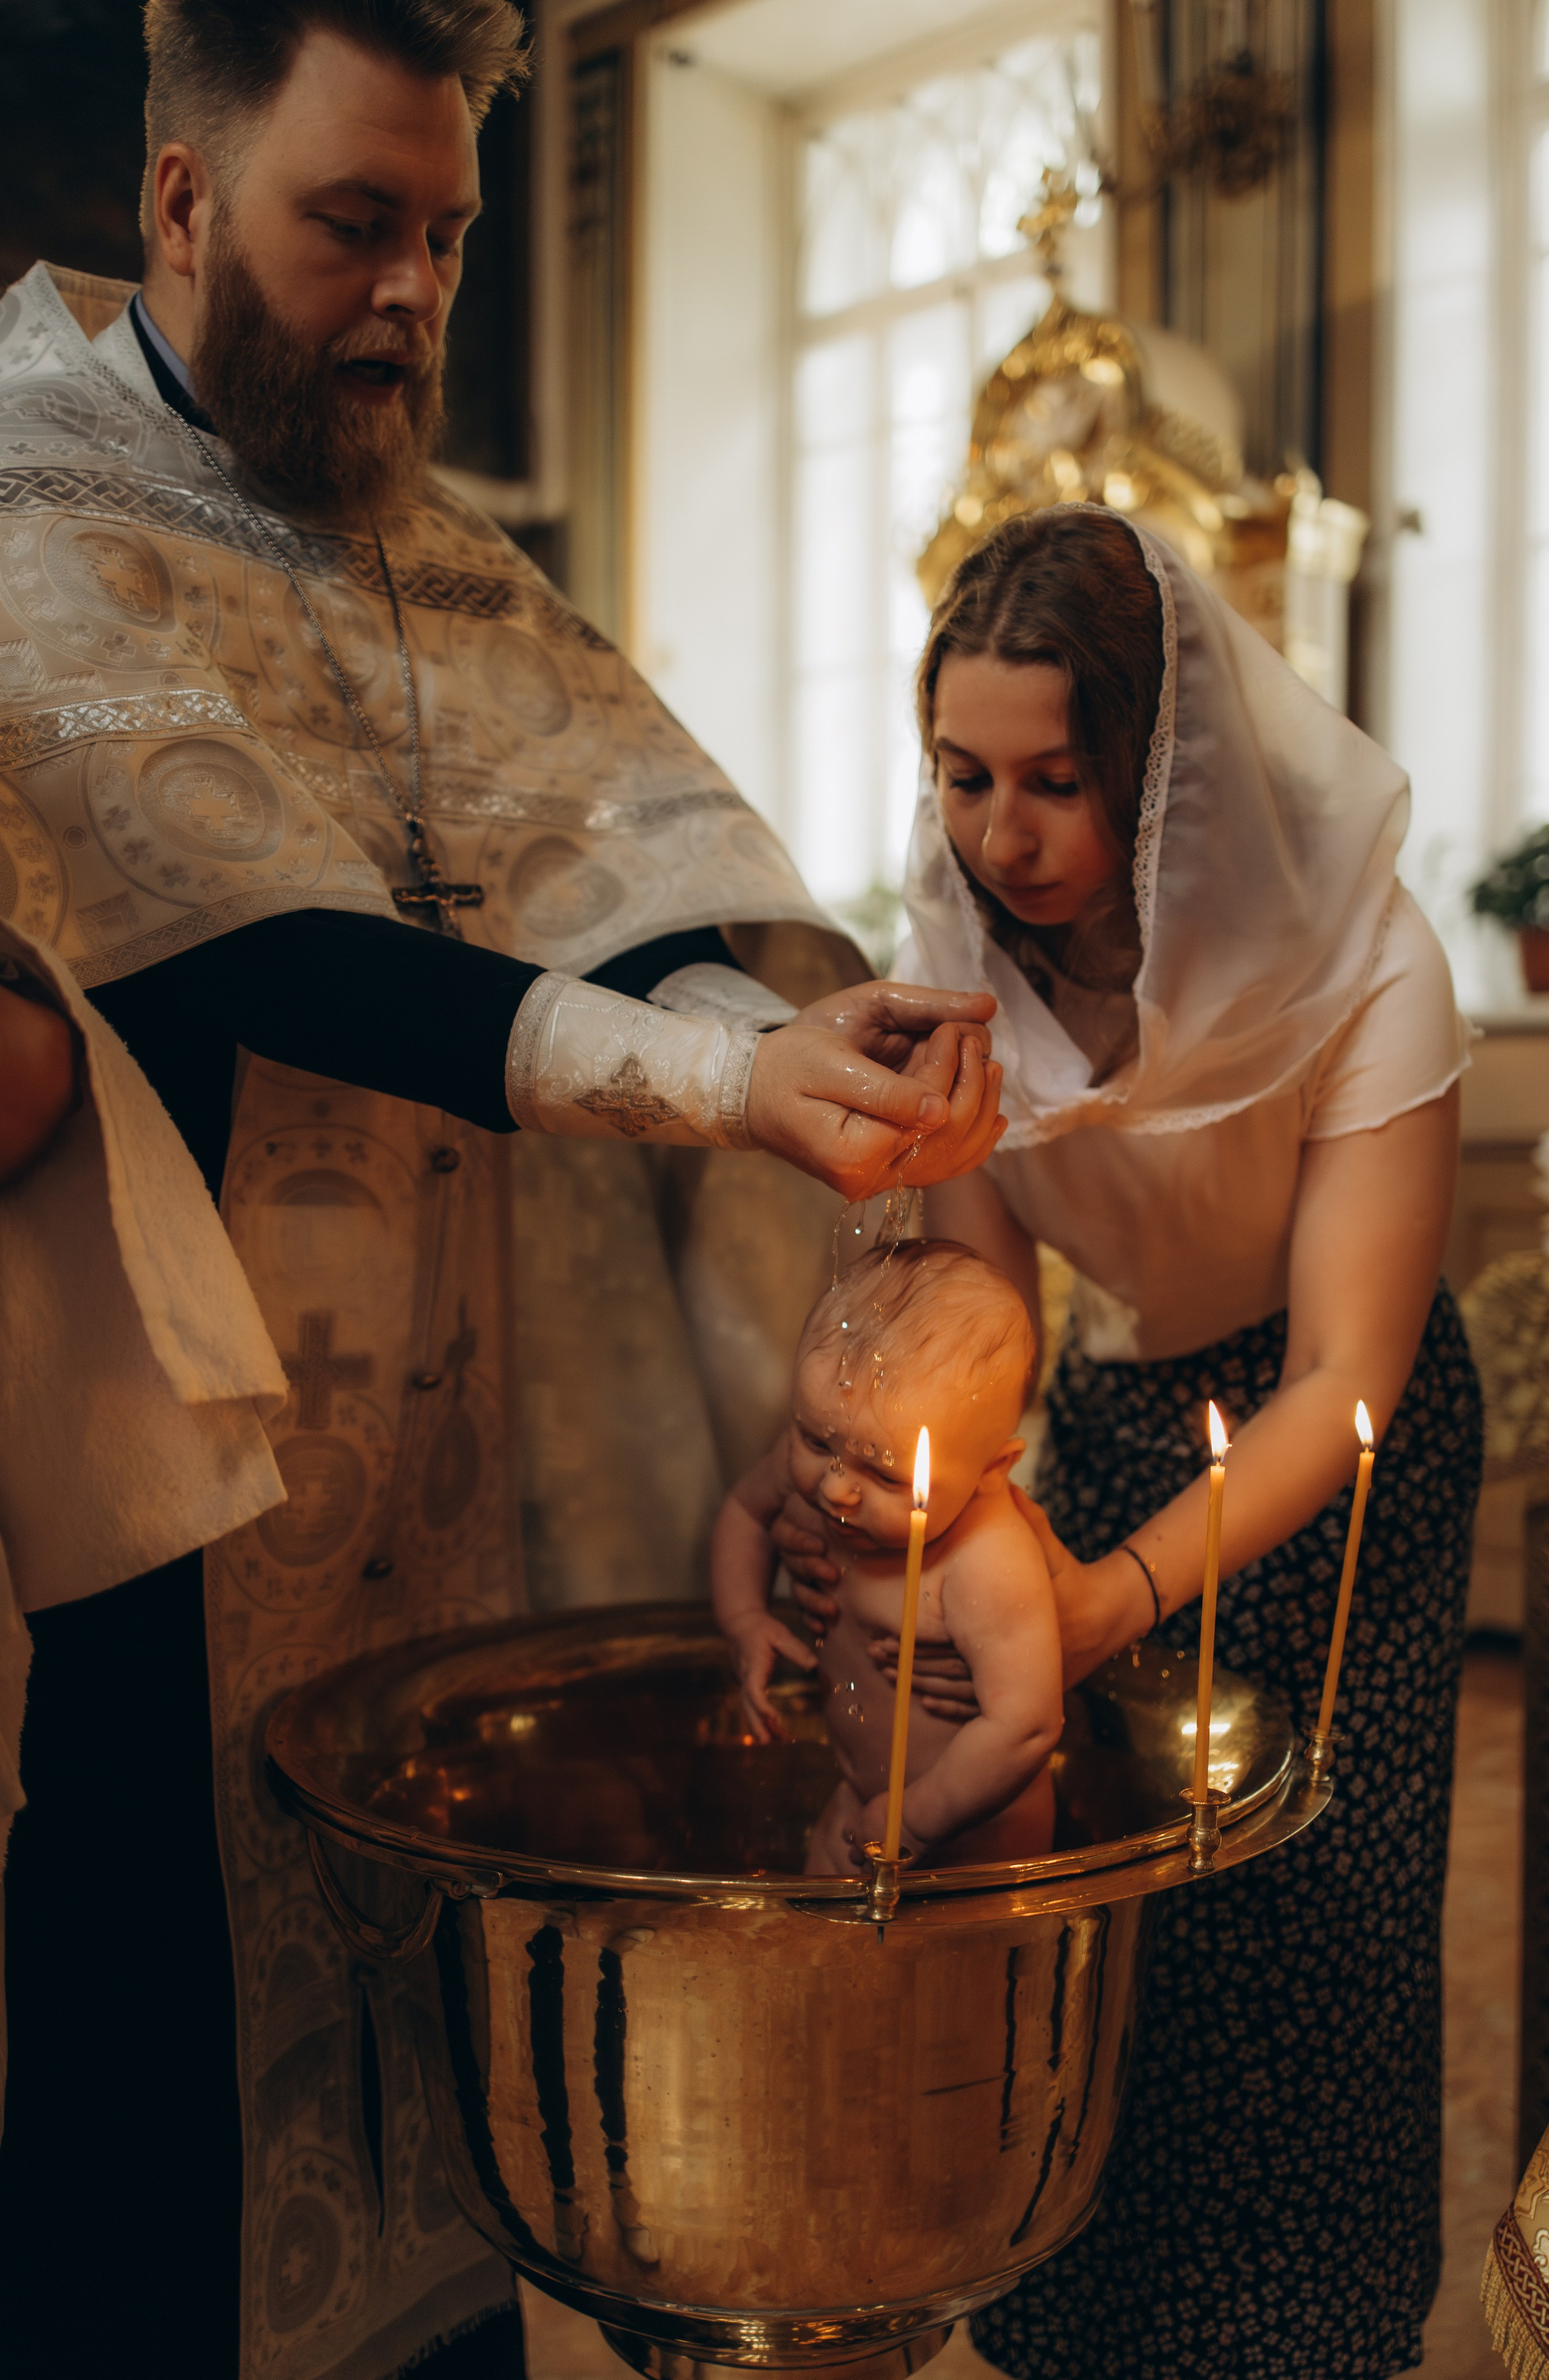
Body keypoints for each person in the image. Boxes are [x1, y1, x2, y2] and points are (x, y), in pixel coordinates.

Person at [0, 7, 1008, 2375]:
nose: (415, 295)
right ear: (176, 203)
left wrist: (803, 1036)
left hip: (448, 1522)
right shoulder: (30, 499)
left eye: (445, 236)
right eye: (354, 222)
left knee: (435, 2188)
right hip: (165, 1529)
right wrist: (716, 1073)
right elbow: (264, 933)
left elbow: (616, 868)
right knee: (151, 2190)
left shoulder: (438, 566)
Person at [780, 506, 1484, 2379]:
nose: (995, 837)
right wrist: (889, 1473)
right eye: (957, 775)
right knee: (1088, 1907)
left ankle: (1298, 2337)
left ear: (1160, 771)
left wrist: (1111, 1599)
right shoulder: (965, 943)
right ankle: (1080, 2312)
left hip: (1347, 1467)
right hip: (1105, 1420)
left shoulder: (1368, 960)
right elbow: (985, 1297)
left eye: (1051, 783)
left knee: (1301, 1917)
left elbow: (1344, 1373)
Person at [710, 1239, 1061, 1874]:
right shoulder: (830, 1461)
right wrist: (744, 1619)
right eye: (814, 1439)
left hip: (974, 1834)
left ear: (993, 1469)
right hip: (860, 1797)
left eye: (884, 1474)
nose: (835, 1486)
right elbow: (744, 1511)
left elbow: (1027, 1726)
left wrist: (918, 1821)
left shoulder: (987, 1562)